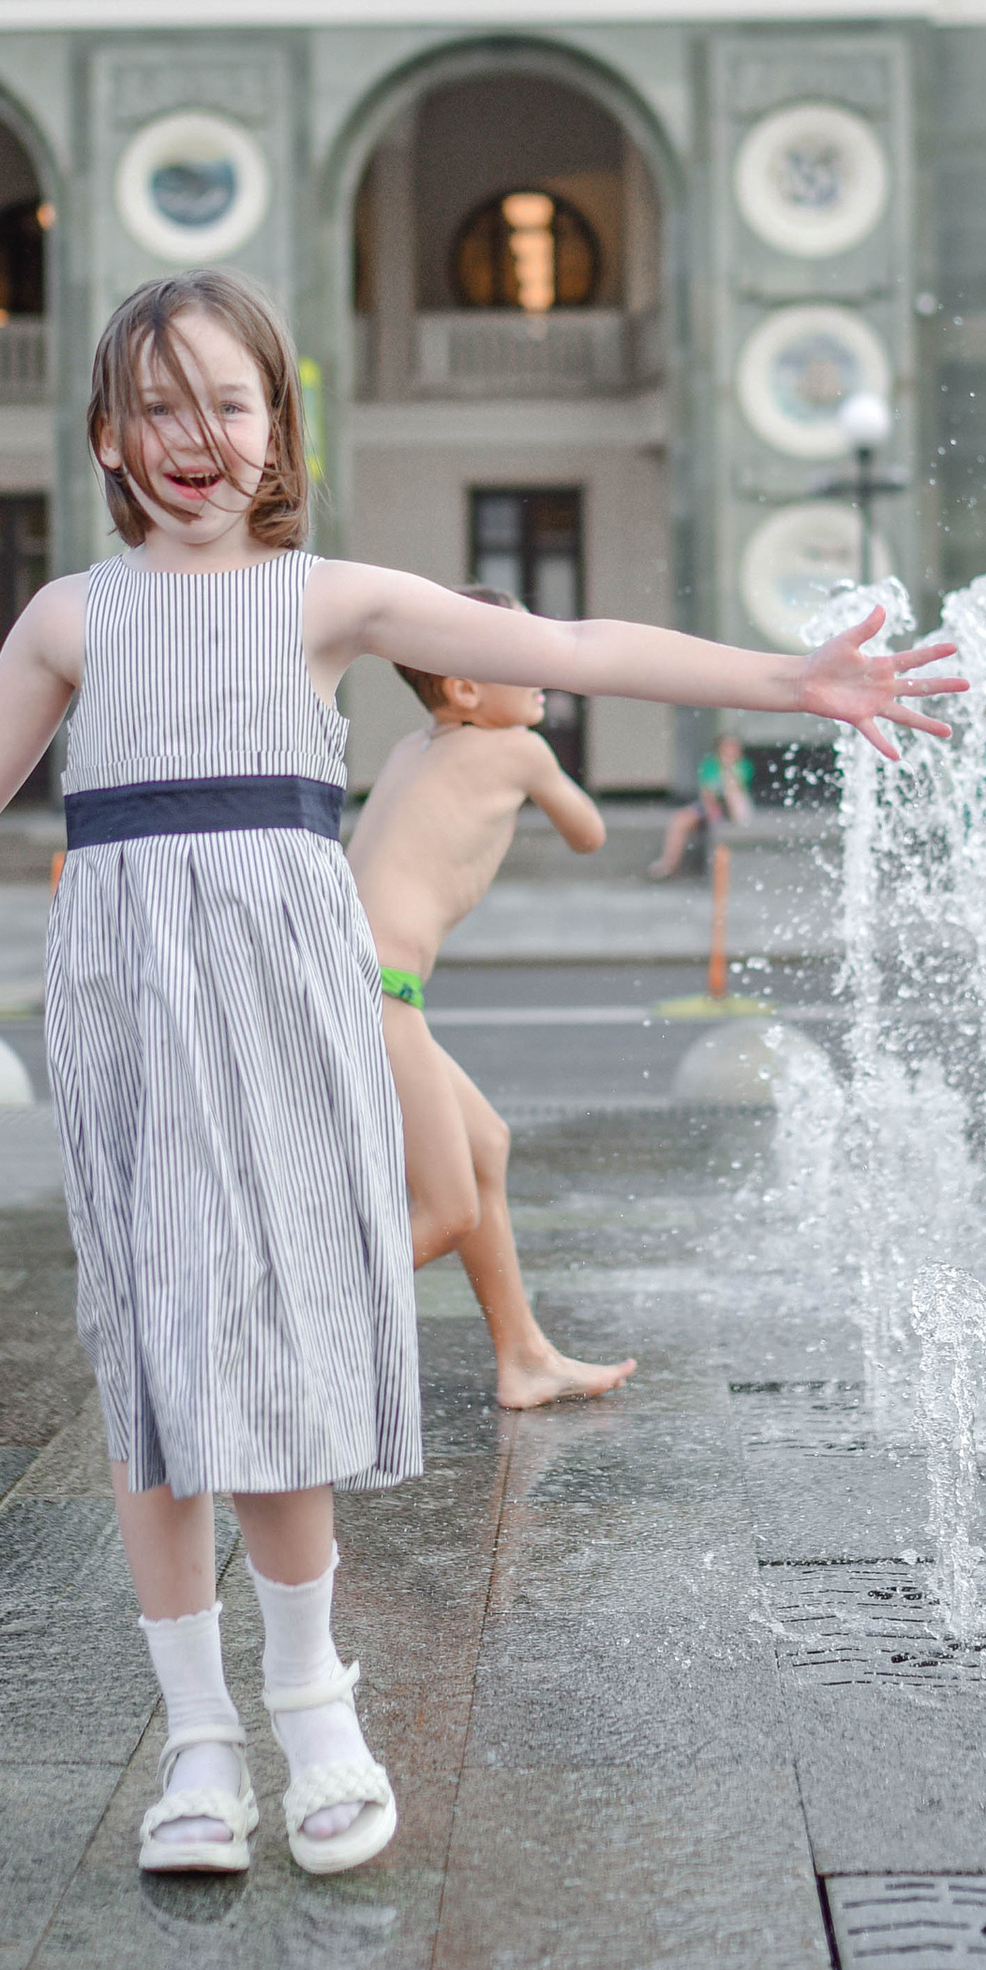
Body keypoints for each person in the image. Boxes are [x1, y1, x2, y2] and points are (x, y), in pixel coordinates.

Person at [0, 272, 960, 1888]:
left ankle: (316, 1707)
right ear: (108, 434)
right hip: (133, 1014)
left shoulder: (327, 602)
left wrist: (797, 683)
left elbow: (568, 642)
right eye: (160, 407)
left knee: (273, 1353)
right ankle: (196, 1745)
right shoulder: (71, 620)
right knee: (154, 1374)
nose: (195, 438)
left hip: (287, 1005)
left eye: (229, 402)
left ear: (281, 425)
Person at [347, 590, 636, 1412]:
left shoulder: (409, 748)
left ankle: (526, 1355)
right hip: (376, 992)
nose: (544, 667)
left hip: (351, 982)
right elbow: (590, 833)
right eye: (520, 652)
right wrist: (542, 765)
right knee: (443, 1210)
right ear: (466, 689)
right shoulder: (520, 751)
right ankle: (275, 1320)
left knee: (485, 1148)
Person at [649, 727, 753, 879]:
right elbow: (706, 791)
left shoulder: (743, 765)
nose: (731, 751)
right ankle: (669, 863)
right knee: (680, 819)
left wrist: (727, 770)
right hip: (712, 805)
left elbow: (736, 788)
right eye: (728, 747)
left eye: (734, 747)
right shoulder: (710, 765)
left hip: (734, 806)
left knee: (733, 798)